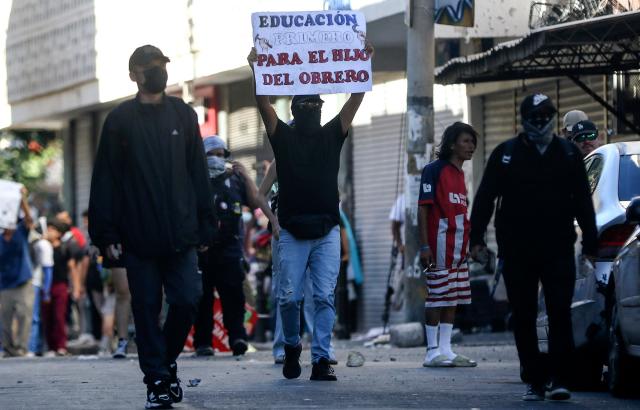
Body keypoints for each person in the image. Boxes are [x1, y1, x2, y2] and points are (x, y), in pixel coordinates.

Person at [89, 44, 214, 409]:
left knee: (188, 299)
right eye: (150, 66)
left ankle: (164, 360)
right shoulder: (119, 120)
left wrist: (207, 224)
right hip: (138, 238)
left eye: (161, 65)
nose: (158, 71)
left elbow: (197, 173)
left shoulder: (183, 114)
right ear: (134, 74)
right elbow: (105, 180)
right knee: (145, 309)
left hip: (182, 234)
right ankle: (157, 379)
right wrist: (106, 236)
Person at [247, 41, 373, 381]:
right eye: (304, 103)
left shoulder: (333, 133)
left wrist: (364, 62)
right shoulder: (282, 138)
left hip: (327, 230)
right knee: (287, 299)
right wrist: (256, 70)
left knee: (324, 297)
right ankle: (291, 348)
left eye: (315, 102)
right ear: (294, 108)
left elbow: (356, 98)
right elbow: (263, 104)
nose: (311, 106)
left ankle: (321, 359)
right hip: (290, 230)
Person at [470, 93, 598, 402]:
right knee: (524, 316)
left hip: (558, 249)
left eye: (546, 116)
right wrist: (475, 240)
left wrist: (592, 243)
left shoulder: (568, 155)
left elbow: (583, 201)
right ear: (524, 120)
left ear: (554, 119)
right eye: (535, 117)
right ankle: (534, 378)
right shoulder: (506, 154)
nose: (541, 123)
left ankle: (559, 378)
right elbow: (485, 198)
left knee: (559, 313)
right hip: (517, 251)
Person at [193, 135, 278, 357]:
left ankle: (238, 339)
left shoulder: (235, 180)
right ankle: (203, 343)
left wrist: (247, 176)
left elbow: (255, 201)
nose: (217, 159)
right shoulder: (195, 178)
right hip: (201, 249)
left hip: (230, 249)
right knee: (202, 299)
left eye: (221, 155)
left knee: (234, 297)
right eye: (212, 155)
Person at [258, 160, 337, 365]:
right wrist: (274, 222)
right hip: (285, 233)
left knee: (320, 293)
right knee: (285, 293)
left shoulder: (320, 154)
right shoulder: (280, 161)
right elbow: (260, 195)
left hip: (317, 232)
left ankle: (323, 349)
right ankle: (283, 348)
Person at [418, 122, 478, 368]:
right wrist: (424, 246)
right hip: (438, 244)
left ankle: (446, 349)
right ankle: (431, 351)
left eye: (473, 142)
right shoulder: (433, 170)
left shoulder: (461, 175)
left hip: (458, 247)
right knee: (437, 296)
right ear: (452, 144)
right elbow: (423, 209)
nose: (471, 146)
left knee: (452, 297)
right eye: (465, 141)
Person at [0, 186, 34, 357]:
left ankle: (21, 347)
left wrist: (22, 199)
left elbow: (29, 220)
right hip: (4, 283)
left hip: (23, 281)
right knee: (5, 319)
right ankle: (8, 348)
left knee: (24, 316)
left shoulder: (20, 232)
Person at [42, 218, 76, 357]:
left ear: (59, 233)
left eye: (52, 230)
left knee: (59, 316)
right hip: (46, 286)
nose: (49, 232)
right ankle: (51, 346)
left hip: (61, 285)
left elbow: (72, 267)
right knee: (47, 317)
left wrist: (75, 286)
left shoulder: (64, 247)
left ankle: (61, 346)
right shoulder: (44, 247)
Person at [27, 217, 54, 357]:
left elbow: (48, 269)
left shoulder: (43, 245)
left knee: (34, 318)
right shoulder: (34, 243)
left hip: (36, 284)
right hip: (31, 284)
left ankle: (33, 347)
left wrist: (47, 291)